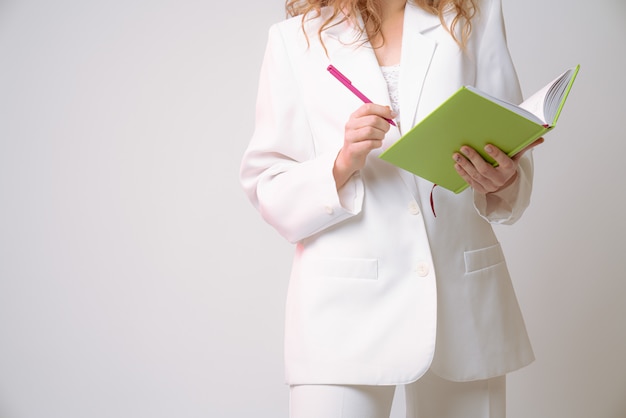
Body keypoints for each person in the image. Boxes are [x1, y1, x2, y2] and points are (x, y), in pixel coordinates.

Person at [240, 0, 543, 417]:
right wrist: (342, 161)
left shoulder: (473, 16)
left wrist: (504, 180)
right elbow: (268, 185)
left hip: (463, 304)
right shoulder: (295, 39)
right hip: (342, 313)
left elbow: (510, 146)